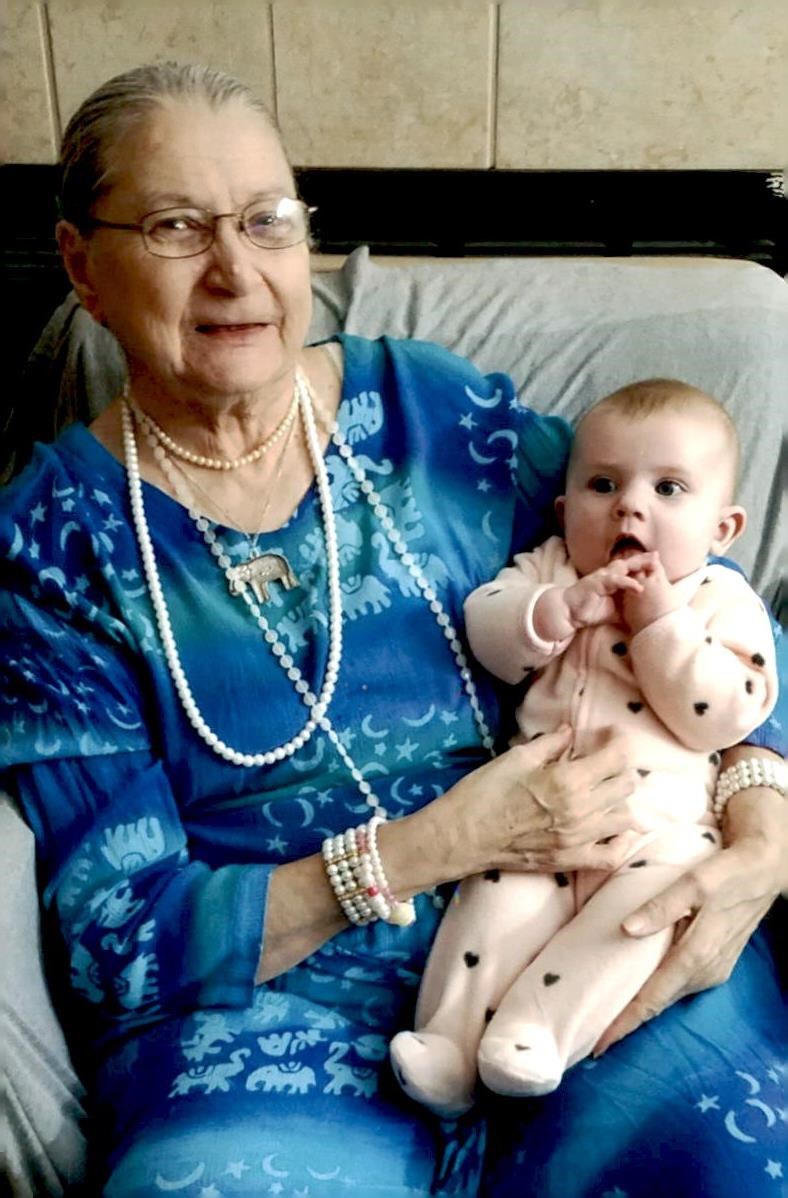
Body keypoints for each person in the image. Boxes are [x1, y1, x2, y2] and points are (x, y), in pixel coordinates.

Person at [0, 62, 785, 1198]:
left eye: (267, 220)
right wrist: (429, 846)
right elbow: (113, 941)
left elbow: (679, 568)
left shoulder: (430, 419)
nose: (235, 271)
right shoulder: (55, 549)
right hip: (272, 1006)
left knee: (742, 1163)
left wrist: (763, 824)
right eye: (176, 226)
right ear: (82, 265)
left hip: (593, 913)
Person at [390, 379, 779, 1117]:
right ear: (565, 511)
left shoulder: (721, 602)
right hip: (533, 826)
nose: (630, 506)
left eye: (668, 489)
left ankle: (538, 1032)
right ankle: (449, 1045)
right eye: (604, 485)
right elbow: (485, 629)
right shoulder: (552, 569)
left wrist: (660, 624)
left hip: (659, 834)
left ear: (723, 528)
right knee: (491, 911)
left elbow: (727, 714)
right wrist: (554, 612)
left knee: (638, 924)